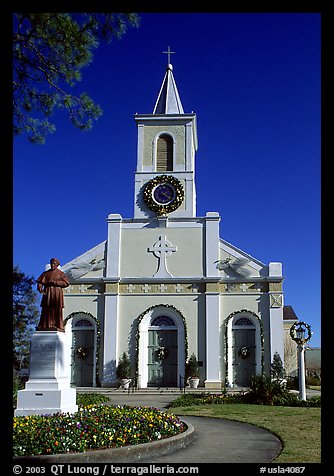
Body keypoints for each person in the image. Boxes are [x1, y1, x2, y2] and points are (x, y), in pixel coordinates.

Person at [36, 258, 69, 331]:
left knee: (56, 308)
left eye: (54, 263)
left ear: (57, 264)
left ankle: (56, 324)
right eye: (51, 263)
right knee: (46, 308)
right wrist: (40, 287)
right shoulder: (46, 273)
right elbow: (40, 282)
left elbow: (66, 283)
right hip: (48, 292)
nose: (52, 265)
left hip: (57, 293)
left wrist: (55, 282)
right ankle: (45, 324)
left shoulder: (61, 274)